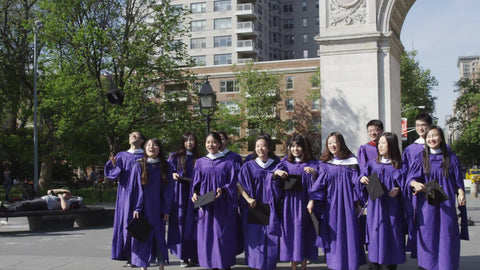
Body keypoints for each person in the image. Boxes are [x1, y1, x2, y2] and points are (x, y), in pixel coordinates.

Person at [406, 126, 468, 270]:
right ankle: (427, 265)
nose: (431, 139)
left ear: (441, 138)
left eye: (435, 136)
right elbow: (411, 179)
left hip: (446, 206)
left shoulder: (451, 158)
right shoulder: (421, 158)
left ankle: (447, 266)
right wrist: (415, 183)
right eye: (429, 136)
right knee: (428, 235)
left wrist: (461, 193)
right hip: (427, 206)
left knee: (447, 236)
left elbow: (458, 181)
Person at [309, 132, 366, 270]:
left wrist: (359, 203)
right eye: (329, 143)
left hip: (348, 205)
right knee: (333, 235)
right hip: (331, 205)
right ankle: (335, 265)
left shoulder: (352, 162)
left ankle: (351, 265)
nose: (332, 145)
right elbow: (319, 185)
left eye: (335, 142)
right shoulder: (325, 163)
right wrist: (312, 200)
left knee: (350, 234)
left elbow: (356, 183)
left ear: (341, 143)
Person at [191, 132, 238, 270]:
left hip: (222, 205)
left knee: (221, 235)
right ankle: (210, 264)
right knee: (207, 236)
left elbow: (233, 182)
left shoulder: (228, 162)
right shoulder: (200, 162)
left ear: (220, 144)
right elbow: (196, 184)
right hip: (205, 204)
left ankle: (224, 264)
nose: (211, 145)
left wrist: (223, 189)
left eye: (214, 142)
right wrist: (194, 194)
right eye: (208, 142)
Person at [359, 132, 406, 269]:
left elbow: (406, 185)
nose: (380, 146)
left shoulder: (399, 165)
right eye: (379, 143)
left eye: (384, 143)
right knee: (375, 238)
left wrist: (398, 189)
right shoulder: (372, 164)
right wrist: (361, 179)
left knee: (391, 239)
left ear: (391, 145)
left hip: (392, 210)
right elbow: (361, 177)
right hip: (375, 209)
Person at [237, 134, 281, 270]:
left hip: (271, 208)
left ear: (269, 148)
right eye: (257, 146)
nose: (260, 148)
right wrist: (248, 198)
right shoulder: (248, 166)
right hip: (253, 207)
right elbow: (239, 184)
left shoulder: (276, 165)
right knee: (254, 239)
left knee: (271, 238)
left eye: (263, 146)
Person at [273, 135, 318, 270]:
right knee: (291, 235)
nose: (295, 149)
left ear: (304, 147)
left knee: (304, 234)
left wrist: (314, 173)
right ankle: (293, 267)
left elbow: (320, 182)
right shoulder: (285, 163)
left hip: (305, 205)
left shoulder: (312, 163)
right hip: (289, 205)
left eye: (298, 146)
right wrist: (277, 173)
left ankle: (303, 266)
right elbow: (273, 178)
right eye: (292, 146)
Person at [131, 138, 173, 270]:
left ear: (159, 148)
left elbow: (168, 190)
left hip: (158, 208)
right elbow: (136, 189)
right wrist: (137, 207)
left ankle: (161, 265)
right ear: (145, 148)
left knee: (159, 237)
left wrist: (166, 209)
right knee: (143, 236)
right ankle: (144, 265)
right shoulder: (138, 165)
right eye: (149, 145)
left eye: (155, 145)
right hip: (143, 208)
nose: (151, 147)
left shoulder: (165, 166)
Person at [104, 131, 145, 264]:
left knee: (139, 223)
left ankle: (139, 254)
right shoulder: (121, 155)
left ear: (142, 140)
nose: (132, 136)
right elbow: (113, 174)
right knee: (125, 223)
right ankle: (127, 254)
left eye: (136, 135)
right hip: (125, 194)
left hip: (142, 194)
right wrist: (113, 165)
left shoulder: (145, 155)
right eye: (130, 135)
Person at [167, 131, 199, 267]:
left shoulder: (200, 158)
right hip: (180, 193)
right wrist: (172, 174)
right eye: (187, 140)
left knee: (196, 224)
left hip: (196, 194)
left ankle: (195, 254)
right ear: (183, 142)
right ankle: (183, 256)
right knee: (180, 223)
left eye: (192, 140)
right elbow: (166, 172)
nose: (189, 143)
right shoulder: (175, 156)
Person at [1, 189, 81, 212]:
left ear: (70, 196)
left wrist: (62, 197)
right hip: (42, 199)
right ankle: (5, 207)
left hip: (45, 204)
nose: (65, 194)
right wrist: (61, 190)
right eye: (65, 193)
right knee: (21, 202)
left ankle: (6, 209)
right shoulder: (60, 195)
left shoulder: (68, 201)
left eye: (67, 193)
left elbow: (64, 208)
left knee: (25, 204)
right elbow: (49, 191)